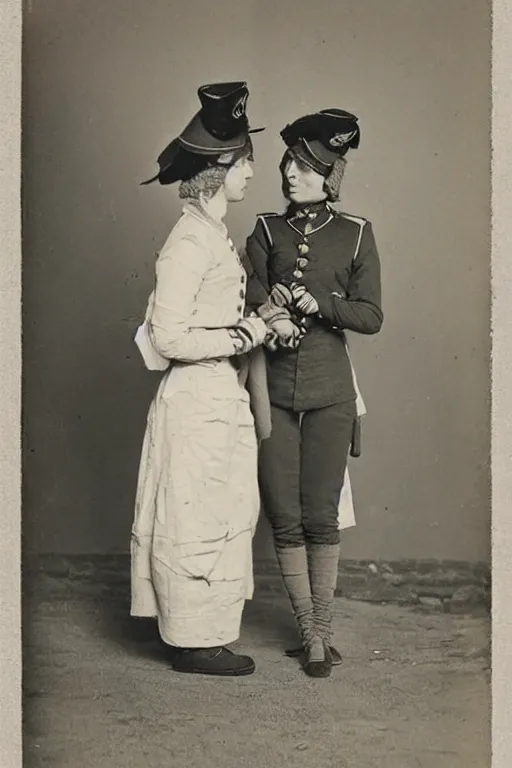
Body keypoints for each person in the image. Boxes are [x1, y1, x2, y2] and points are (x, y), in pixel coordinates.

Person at [130, 82, 269, 677]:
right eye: (244, 164)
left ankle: (203, 633)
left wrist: (251, 322)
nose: (250, 174)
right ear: (217, 172)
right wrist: (245, 335)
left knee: (218, 508)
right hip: (196, 396)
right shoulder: (188, 241)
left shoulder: (211, 234)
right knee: (195, 515)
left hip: (217, 393)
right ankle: (191, 641)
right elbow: (167, 337)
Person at [243, 108, 383, 678]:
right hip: (273, 391)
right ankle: (308, 629)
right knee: (284, 515)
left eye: (304, 166)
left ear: (330, 177)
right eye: (288, 163)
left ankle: (319, 633)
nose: (289, 173)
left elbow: (371, 316)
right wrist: (270, 309)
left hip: (330, 393)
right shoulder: (266, 232)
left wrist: (318, 305)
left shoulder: (355, 234)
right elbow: (245, 296)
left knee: (321, 515)